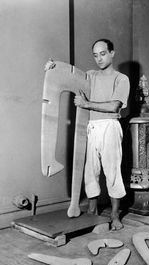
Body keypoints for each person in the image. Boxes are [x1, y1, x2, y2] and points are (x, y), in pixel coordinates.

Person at [45, 39, 130, 230]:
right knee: (90, 171)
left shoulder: (121, 79)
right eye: (95, 55)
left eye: (103, 53)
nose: (99, 58)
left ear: (112, 53)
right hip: (91, 127)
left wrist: (86, 104)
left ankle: (115, 215)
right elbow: (68, 76)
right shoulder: (90, 75)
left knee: (112, 171)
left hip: (110, 126)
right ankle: (92, 211)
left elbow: (114, 106)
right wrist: (53, 68)